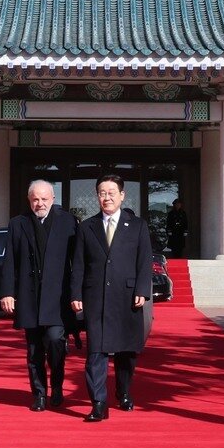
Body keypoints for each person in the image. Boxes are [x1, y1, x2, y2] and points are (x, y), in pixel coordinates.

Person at [71, 174, 153, 422]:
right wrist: (76, 293)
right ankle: (98, 403)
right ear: (97, 196)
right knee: (95, 352)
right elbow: (78, 265)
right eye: (102, 193)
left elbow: (144, 261)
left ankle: (123, 391)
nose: (106, 197)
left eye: (111, 192)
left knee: (127, 352)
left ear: (122, 195)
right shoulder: (87, 227)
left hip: (127, 297)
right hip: (95, 297)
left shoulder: (137, 225)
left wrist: (142, 290)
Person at [0, 179, 78, 412]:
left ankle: (57, 385)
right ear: (29, 200)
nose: (40, 203)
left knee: (55, 341)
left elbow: (78, 262)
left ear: (53, 199)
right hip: (29, 295)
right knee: (34, 349)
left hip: (58, 297)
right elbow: (10, 260)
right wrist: (7, 292)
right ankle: (39, 394)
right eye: (35, 199)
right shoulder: (18, 223)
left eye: (44, 199)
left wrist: (78, 294)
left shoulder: (68, 222)